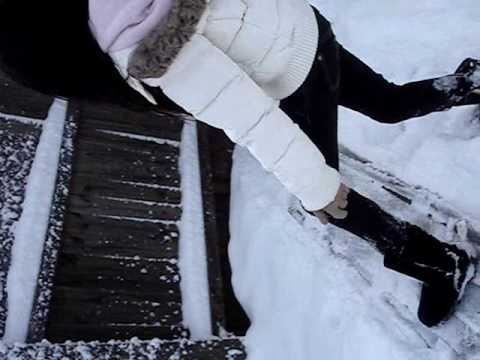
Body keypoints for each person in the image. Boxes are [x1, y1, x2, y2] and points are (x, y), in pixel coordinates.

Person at [0, 0, 478, 327]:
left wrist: (320, 191)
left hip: (293, 80)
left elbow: (250, 118)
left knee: (327, 201)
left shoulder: (144, 45)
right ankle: (467, 85)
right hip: (306, 29)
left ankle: (440, 264)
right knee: (386, 102)